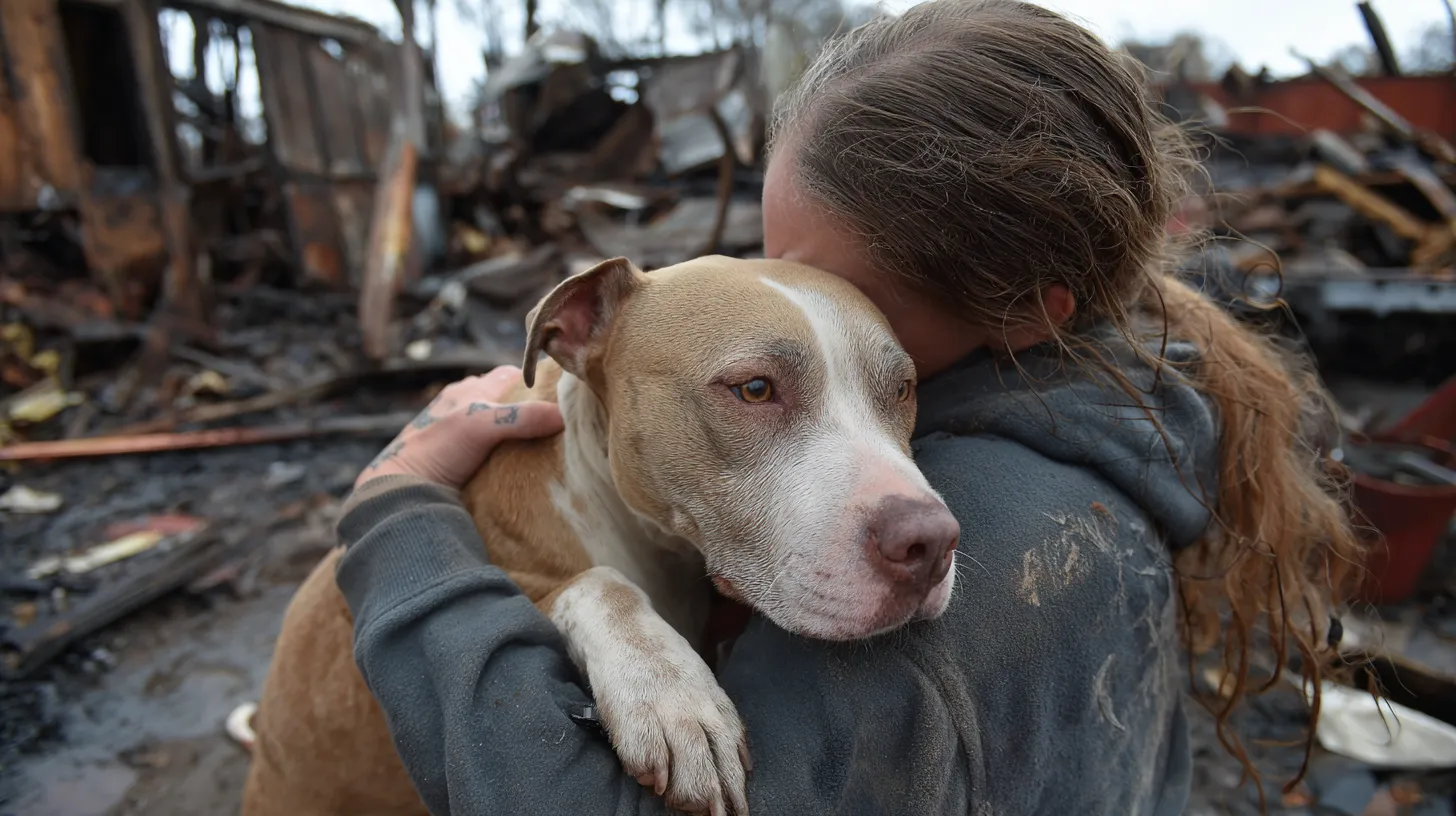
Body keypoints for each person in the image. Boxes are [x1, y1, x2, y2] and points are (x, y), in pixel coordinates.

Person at [333, 1, 1363, 814]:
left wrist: (396, 512)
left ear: (1023, 309)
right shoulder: (1125, 405)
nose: (786, 298)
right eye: (772, 274)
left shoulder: (975, 568)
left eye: (832, 289)